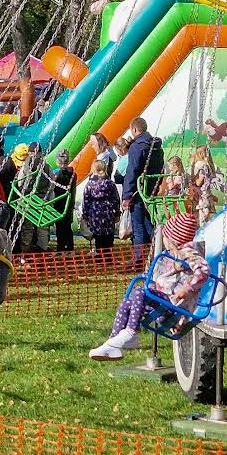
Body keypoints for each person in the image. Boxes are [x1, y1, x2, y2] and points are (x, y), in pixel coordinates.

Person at [87, 240, 210, 359]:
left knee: (140, 292)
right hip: (165, 304)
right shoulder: (169, 254)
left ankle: (131, 333)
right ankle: (112, 344)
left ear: (173, 237)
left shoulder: (188, 252)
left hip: (176, 308)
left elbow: (204, 271)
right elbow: (158, 279)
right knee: (127, 303)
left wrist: (188, 288)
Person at [120, 117, 163, 268]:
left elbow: (132, 171)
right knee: (148, 224)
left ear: (134, 130)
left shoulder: (137, 146)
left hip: (138, 192)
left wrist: (126, 195)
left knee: (138, 227)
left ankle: (139, 260)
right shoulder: (156, 146)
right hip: (150, 190)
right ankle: (156, 254)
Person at [79, 159, 121, 251]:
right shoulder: (110, 183)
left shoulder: (90, 184)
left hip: (95, 212)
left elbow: (86, 201)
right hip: (108, 211)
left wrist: (85, 215)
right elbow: (116, 199)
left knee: (98, 236)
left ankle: (100, 255)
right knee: (109, 235)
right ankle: (108, 255)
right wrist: (117, 213)